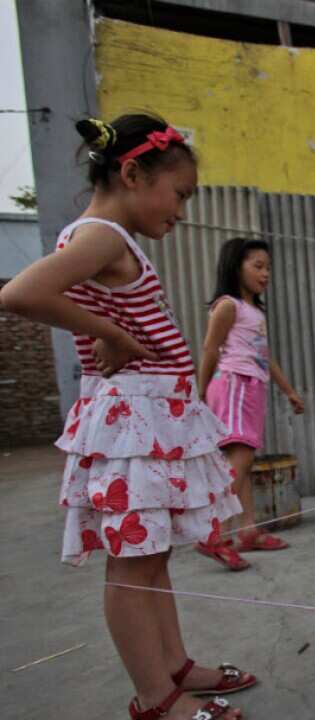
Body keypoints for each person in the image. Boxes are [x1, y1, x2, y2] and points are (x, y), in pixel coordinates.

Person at [0, 114, 251, 719]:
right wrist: (108, 331)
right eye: (180, 195)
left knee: (150, 555)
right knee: (133, 562)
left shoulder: (107, 238)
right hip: (133, 422)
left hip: (150, 417)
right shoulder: (102, 235)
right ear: (133, 173)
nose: (182, 210)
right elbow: (18, 294)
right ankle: (155, 697)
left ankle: (174, 665)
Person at [195, 238, 304, 571]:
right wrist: (199, 396)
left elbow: (264, 357)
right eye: (258, 266)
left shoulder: (253, 311)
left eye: (268, 267)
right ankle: (214, 533)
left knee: (244, 461)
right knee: (238, 462)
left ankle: (248, 531)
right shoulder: (228, 305)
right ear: (235, 266)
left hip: (251, 387)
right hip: (234, 386)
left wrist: (289, 391)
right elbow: (210, 350)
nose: (266, 273)